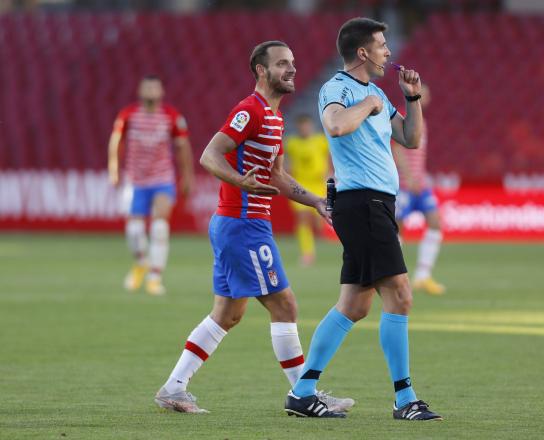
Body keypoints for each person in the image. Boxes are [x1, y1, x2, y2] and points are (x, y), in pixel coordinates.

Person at [153, 41, 353, 416]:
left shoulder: (277, 118)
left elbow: (276, 175)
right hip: (243, 224)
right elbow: (209, 155)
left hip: (239, 224)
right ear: (261, 71)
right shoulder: (250, 111)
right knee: (285, 304)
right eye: (281, 64)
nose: (291, 69)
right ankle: (303, 394)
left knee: (228, 314)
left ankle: (174, 388)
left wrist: (314, 201)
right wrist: (240, 182)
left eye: (292, 62)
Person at [284, 18, 442, 421]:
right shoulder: (338, 89)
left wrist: (411, 99)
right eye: (382, 45)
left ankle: (302, 392)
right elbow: (336, 126)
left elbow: (411, 138)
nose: (389, 52)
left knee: (354, 305)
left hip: (376, 205)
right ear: (362, 52)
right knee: (401, 295)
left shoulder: (375, 93)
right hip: (363, 203)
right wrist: (369, 104)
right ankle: (405, 400)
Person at [108, 75, 194, 296]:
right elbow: (116, 142)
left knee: (158, 227)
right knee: (135, 230)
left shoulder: (171, 117)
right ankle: (141, 263)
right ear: (140, 90)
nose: (150, 91)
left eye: (154, 87)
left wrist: (187, 176)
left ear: (161, 91)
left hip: (162, 180)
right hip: (136, 181)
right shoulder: (128, 115)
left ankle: (155, 277)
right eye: (147, 87)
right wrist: (114, 168)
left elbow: (183, 148)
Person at [392, 84, 446, 296]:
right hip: (404, 185)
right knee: (397, 229)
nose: (429, 95)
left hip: (420, 184)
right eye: (425, 91)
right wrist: (409, 177)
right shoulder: (403, 116)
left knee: (435, 222)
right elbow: (396, 147)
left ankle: (423, 276)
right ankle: (395, 276)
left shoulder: (422, 120)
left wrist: (419, 178)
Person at [285, 113, 330, 266]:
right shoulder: (292, 143)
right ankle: (307, 253)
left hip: (319, 185)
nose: (304, 128)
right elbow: (289, 164)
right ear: (298, 127)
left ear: (311, 126)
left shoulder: (321, 141)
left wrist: (331, 176)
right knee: (303, 218)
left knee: (320, 221)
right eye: (301, 126)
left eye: (306, 125)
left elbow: (329, 158)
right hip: (301, 185)